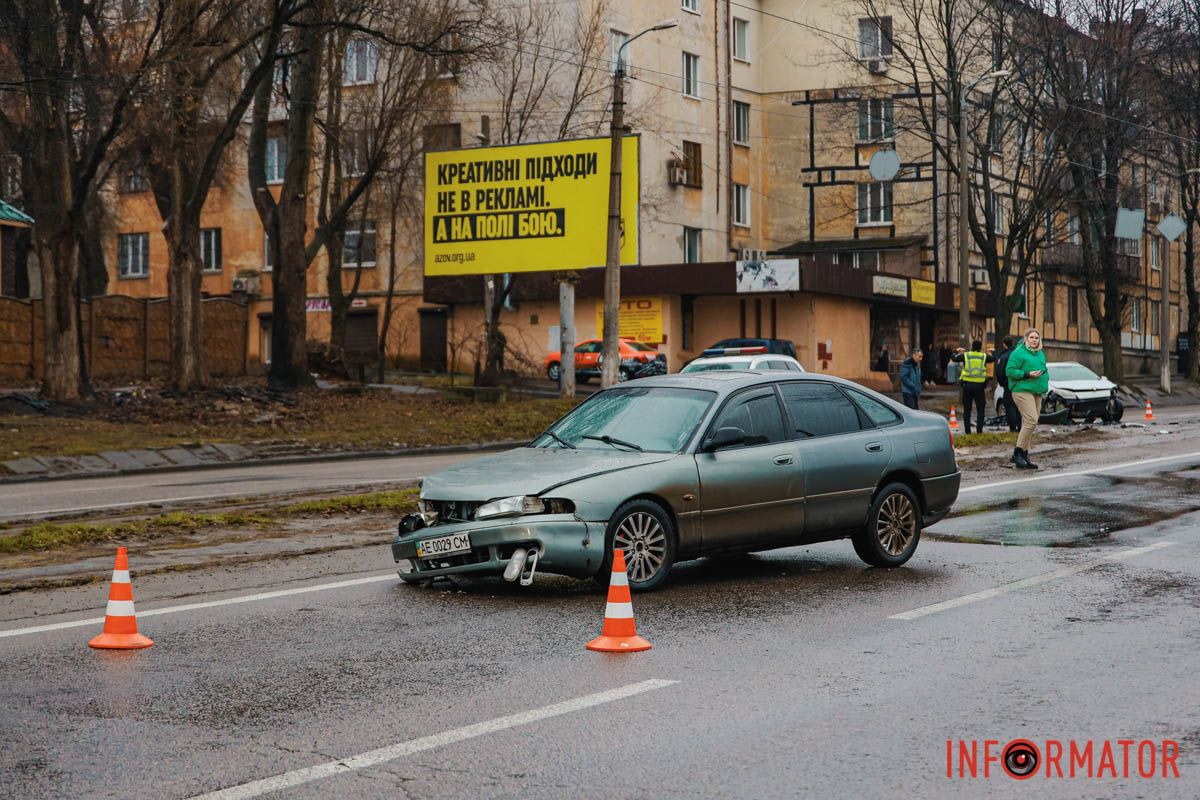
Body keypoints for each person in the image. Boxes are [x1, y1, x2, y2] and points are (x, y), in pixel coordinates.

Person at [1006, 328, 1049, 470]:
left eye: (1037, 338)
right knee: (1031, 420)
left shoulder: (1040, 354)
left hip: (1037, 392)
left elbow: (1045, 370)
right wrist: (1027, 374)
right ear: (1026, 339)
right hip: (1022, 390)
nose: (1034, 340)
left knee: (1031, 422)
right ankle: (1017, 453)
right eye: (1032, 337)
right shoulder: (1018, 353)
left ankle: (1024, 455)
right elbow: (1010, 371)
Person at [951, 339, 994, 434]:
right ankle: (979, 431)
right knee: (980, 409)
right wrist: (991, 352)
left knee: (967, 409)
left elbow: (954, 358)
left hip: (967, 385)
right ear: (980, 348)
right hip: (980, 386)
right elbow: (993, 359)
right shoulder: (984, 356)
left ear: (972, 347)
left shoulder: (966, 355)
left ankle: (967, 431)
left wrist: (956, 351)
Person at [993, 336, 1020, 432]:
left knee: (1010, 405)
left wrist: (1003, 383)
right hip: (1020, 383)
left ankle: (1013, 427)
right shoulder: (1019, 354)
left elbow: (999, 372)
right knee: (1019, 405)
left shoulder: (1004, 356)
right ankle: (1020, 427)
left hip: (1008, 384)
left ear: (1004, 345)